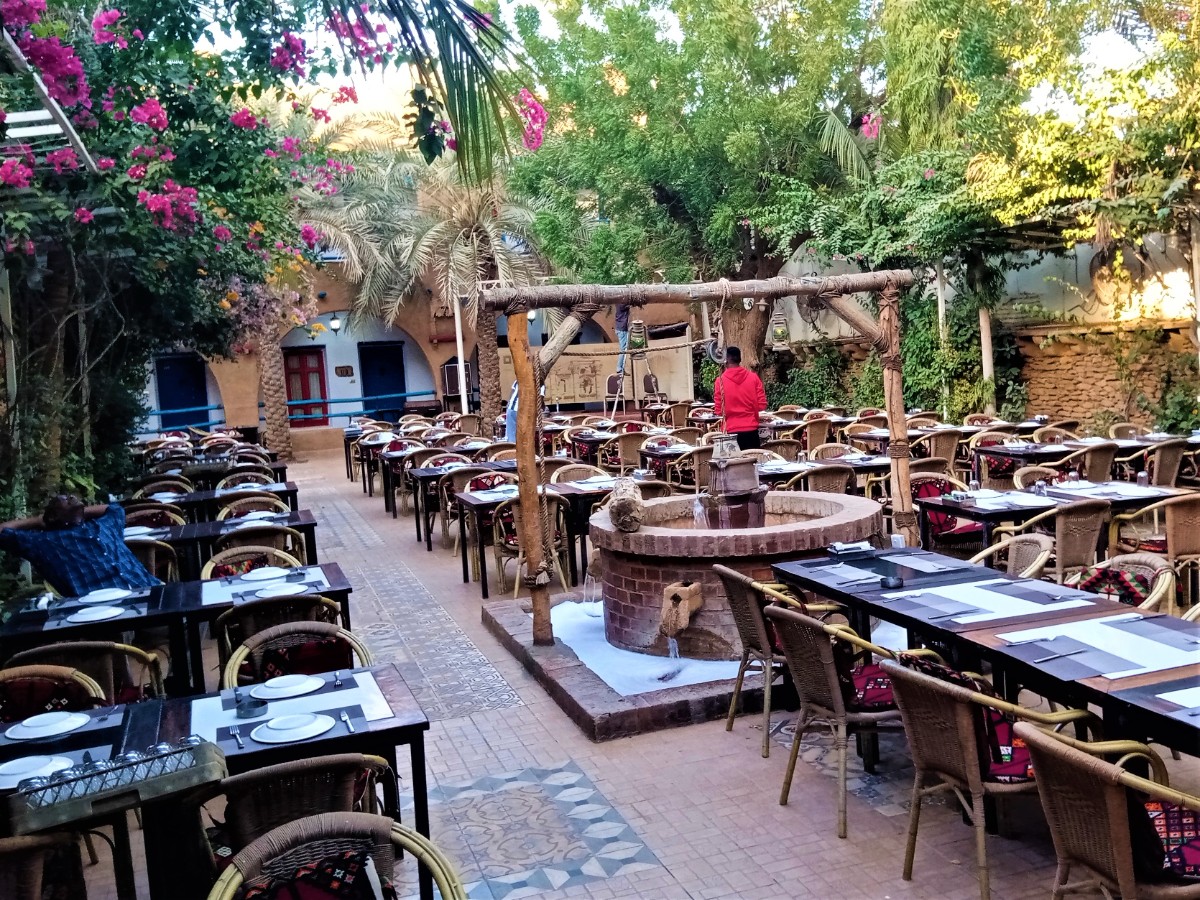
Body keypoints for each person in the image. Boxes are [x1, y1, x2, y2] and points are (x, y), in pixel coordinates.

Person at [0, 495, 161, 597]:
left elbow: (114, 509)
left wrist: (80, 512)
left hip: (148, 588)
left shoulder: (103, 524)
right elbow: (2, 532)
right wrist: (39, 520)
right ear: (53, 516)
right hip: (102, 606)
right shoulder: (45, 542)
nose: (70, 497)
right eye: (63, 499)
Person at [713, 346, 767, 450]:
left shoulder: (720, 382)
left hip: (731, 431)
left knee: (734, 461)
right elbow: (762, 405)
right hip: (751, 429)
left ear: (725, 360)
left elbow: (719, 411)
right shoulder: (753, 378)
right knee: (752, 459)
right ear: (740, 359)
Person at [614, 303, 631, 376]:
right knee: (623, 349)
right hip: (622, 329)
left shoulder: (619, 303)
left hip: (621, 328)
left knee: (625, 348)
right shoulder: (621, 305)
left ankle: (622, 368)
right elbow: (626, 305)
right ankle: (619, 368)